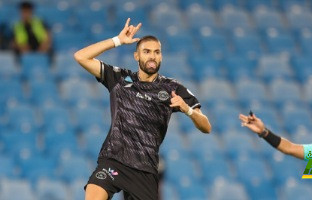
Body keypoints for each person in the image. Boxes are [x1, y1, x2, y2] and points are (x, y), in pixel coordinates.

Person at [74, 18, 212, 200]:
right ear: (136, 56)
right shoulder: (120, 79)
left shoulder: (173, 88)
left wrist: (188, 110)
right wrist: (117, 40)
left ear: (161, 56)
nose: (152, 56)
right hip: (113, 161)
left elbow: (206, 127)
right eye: (146, 51)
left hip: (144, 170)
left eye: (157, 52)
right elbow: (81, 57)